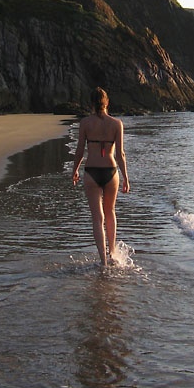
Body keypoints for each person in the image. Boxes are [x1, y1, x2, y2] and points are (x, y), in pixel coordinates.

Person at [72, 87, 130, 266]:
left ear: (91, 104)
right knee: (110, 213)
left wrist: (74, 170)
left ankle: (103, 260)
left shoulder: (85, 123)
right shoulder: (116, 123)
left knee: (97, 218)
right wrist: (126, 178)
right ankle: (112, 253)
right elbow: (120, 153)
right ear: (107, 103)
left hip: (91, 171)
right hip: (111, 172)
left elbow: (80, 150)